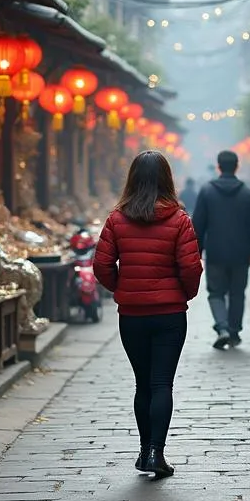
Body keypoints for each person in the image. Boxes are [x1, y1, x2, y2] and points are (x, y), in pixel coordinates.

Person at [94, 151, 203, 479]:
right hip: (170, 314)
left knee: (143, 383)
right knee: (161, 383)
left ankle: (145, 451)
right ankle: (156, 452)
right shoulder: (179, 219)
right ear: (167, 179)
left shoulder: (116, 219)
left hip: (132, 315)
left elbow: (101, 264)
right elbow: (190, 267)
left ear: (132, 178)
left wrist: (121, 287)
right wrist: (185, 293)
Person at [192, 150, 250, 350]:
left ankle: (222, 327)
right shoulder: (247, 193)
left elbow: (198, 224)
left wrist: (197, 251)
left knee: (215, 292)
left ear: (218, 166)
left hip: (215, 252)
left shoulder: (207, 191)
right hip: (241, 253)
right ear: (237, 166)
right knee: (237, 293)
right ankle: (234, 332)